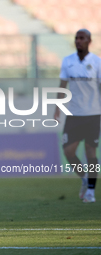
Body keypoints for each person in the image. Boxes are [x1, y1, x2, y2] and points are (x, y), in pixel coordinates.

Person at [54, 28, 101, 203]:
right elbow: (62, 85)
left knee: (90, 152)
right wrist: (58, 107)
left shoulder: (97, 62)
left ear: (89, 41)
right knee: (68, 151)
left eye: (82, 38)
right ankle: (84, 177)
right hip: (73, 114)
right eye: (76, 38)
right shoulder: (68, 61)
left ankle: (90, 191)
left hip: (93, 114)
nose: (78, 41)